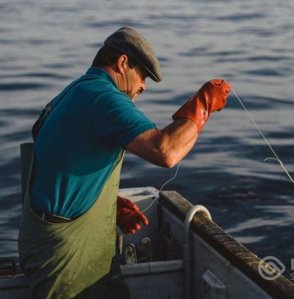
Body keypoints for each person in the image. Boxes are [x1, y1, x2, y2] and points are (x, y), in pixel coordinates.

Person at [18, 27, 231, 298]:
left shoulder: (75, 91)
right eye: (142, 76)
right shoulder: (102, 97)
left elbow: (59, 162)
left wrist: (108, 204)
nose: (143, 86)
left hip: (65, 238)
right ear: (122, 63)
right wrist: (204, 103)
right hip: (67, 254)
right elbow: (166, 151)